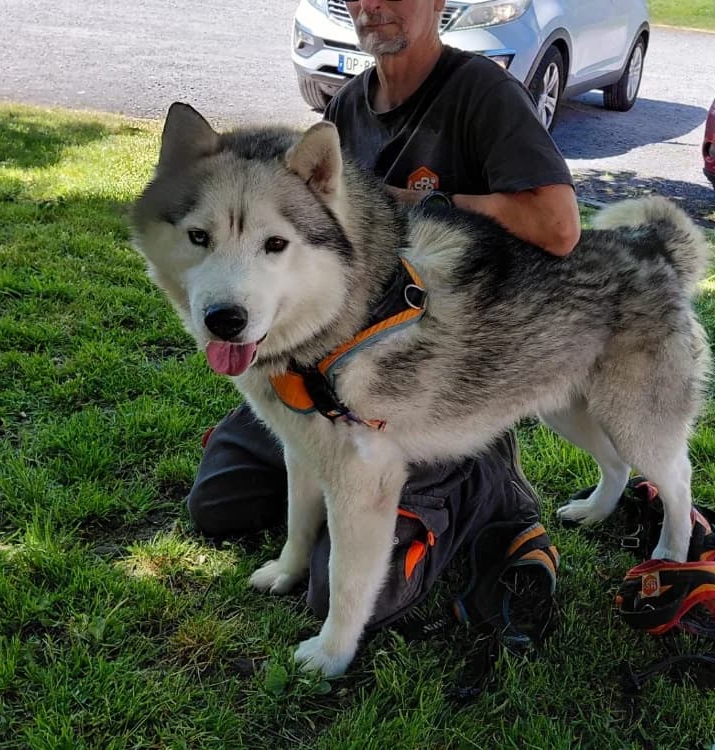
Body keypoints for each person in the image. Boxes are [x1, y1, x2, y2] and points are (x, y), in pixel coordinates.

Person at [186, 0, 581, 634]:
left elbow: (558, 227)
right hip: (332, 376)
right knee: (220, 501)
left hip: (439, 387)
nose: (372, 4)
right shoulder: (347, 106)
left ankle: (491, 489)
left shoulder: (483, 92)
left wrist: (420, 201)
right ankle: (332, 504)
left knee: (351, 590)